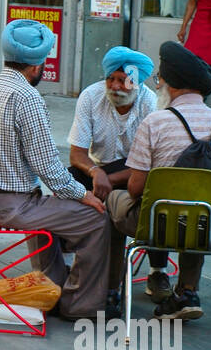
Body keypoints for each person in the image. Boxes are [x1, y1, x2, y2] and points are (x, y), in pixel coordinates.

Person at [0, 19, 110, 320]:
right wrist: (83, 195)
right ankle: (80, 305)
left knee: (48, 205)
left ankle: (51, 286)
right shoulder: (27, 97)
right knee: (95, 219)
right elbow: (48, 168)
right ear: (36, 67)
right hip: (9, 205)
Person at [106, 41, 211, 321]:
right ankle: (187, 292)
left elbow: (136, 187)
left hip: (156, 225)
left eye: (159, 81)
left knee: (112, 202)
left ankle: (110, 290)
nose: (157, 86)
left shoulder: (155, 123)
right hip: (209, 229)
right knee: (200, 210)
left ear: (170, 85)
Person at [67, 46, 165, 296]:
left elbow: (152, 161)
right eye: (111, 78)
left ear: (137, 83)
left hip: (137, 171)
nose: (115, 86)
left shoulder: (150, 103)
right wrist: (95, 173)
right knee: (68, 179)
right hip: (99, 169)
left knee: (158, 190)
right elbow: (77, 154)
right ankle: (72, 253)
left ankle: (158, 271)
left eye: (123, 81)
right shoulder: (91, 96)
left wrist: (107, 178)